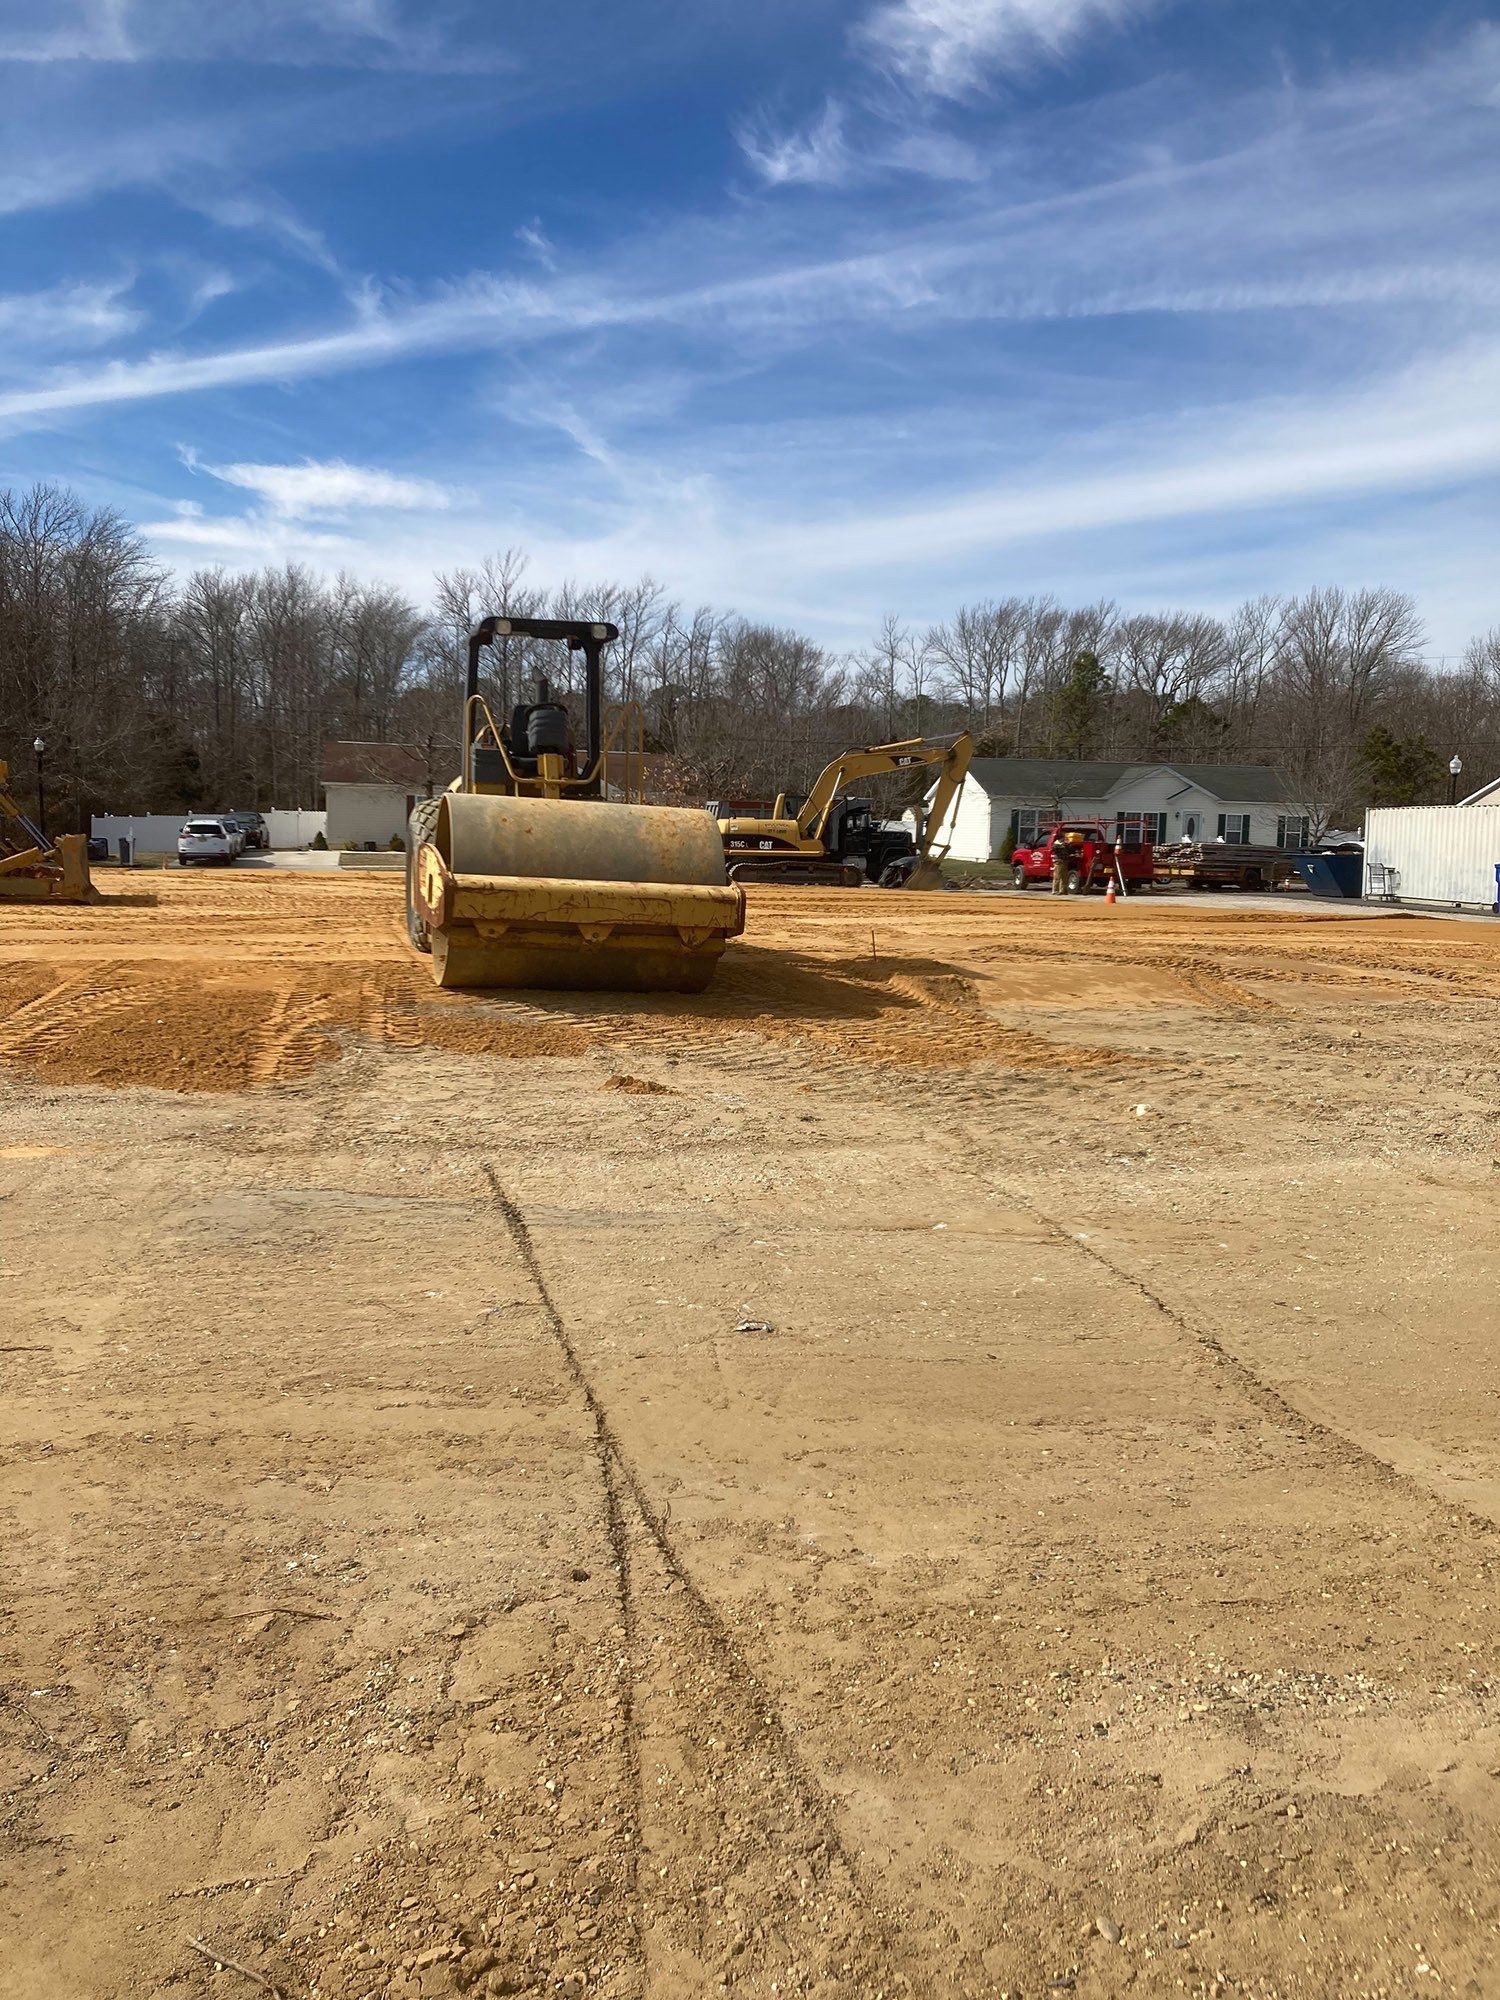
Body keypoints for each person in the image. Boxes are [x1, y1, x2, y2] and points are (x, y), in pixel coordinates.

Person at [1051, 831, 1070, 896]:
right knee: (1057, 876)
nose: (1064, 838)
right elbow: (1054, 848)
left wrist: (1067, 844)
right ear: (1060, 838)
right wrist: (1062, 845)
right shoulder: (1055, 844)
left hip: (1065, 861)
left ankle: (1063, 890)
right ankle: (1055, 891)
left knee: (1064, 877)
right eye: (1063, 837)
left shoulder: (1065, 844)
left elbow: (1070, 849)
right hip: (1058, 862)